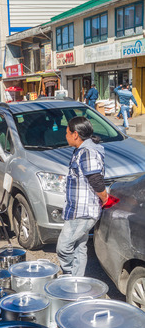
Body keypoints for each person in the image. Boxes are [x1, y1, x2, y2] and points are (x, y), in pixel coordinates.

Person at [56, 116, 109, 277]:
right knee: (79, 247)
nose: (65, 136)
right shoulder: (82, 150)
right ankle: (77, 282)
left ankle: (70, 276)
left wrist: (105, 198)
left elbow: (95, 179)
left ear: (75, 135)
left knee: (63, 247)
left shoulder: (87, 152)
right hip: (78, 209)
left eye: (67, 133)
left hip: (83, 211)